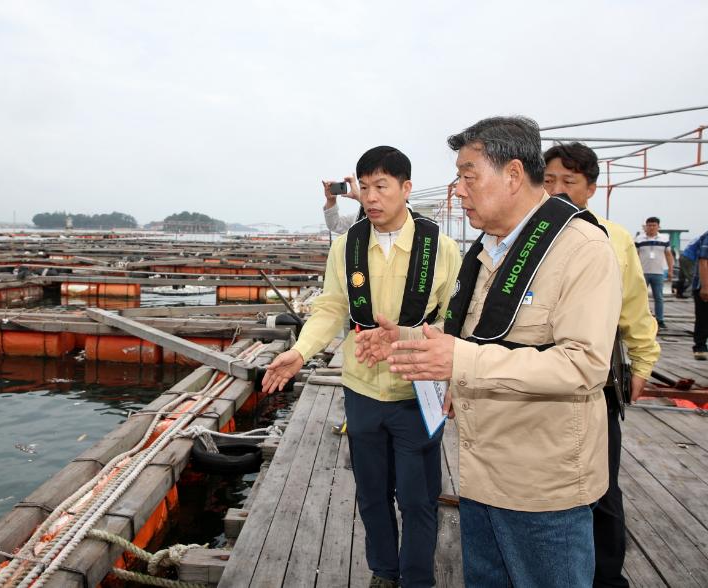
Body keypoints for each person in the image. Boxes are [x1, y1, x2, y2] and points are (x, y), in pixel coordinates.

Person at [357, 117, 621, 587]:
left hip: (542, 490)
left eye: (468, 175)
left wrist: (459, 360)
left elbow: (584, 365)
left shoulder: (581, 247)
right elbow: (476, 336)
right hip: (481, 477)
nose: (458, 189)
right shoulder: (489, 249)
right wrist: (407, 338)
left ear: (514, 175)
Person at [263, 146, 462, 588]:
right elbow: (331, 307)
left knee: (418, 497)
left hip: (418, 390)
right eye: (365, 187)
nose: (371, 197)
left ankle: (416, 579)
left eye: (382, 187)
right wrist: (301, 351)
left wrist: (447, 372)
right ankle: (384, 571)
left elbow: (457, 320)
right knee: (372, 493)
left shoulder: (441, 248)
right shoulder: (348, 246)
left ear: (406, 189)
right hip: (362, 390)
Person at [543, 142, 660, 587]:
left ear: (591, 188)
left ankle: (607, 577)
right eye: (549, 180)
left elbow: (634, 307)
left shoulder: (613, 237)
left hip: (595, 381)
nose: (557, 190)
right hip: (538, 379)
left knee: (602, 485)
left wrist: (643, 363)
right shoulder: (526, 235)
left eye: (569, 182)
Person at [635, 217, 674, 328]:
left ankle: (660, 320)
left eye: (654, 225)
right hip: (642, 273)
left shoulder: (664, 239)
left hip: (658, 272)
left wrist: (670, 270)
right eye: (649, 225)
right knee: (640, 297)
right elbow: (634, 256)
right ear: (645, 226)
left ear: (658, 226)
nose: (651, 227)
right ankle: (639, 320)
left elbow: (668, 255)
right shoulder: (639, 239)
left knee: (659, 297)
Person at [689, 230, 708, 360]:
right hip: (703, 285)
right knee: (703, 317)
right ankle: (700, 347)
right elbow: (703, 261)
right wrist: (705, 286)